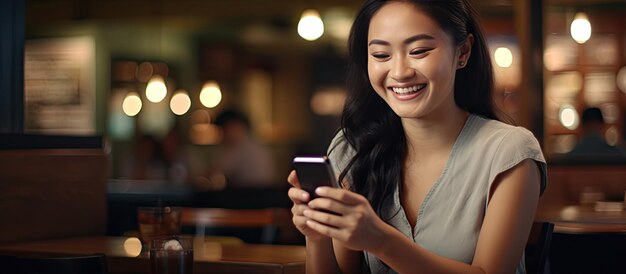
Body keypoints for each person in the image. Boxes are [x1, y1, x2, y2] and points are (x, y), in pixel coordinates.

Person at [287, 1, 547, 273]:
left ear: (463, 52)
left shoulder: (510, 152)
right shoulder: (352, 148)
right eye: (380, 55)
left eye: (419, 51)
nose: (399, 72)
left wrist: (381, 239)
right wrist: (316, 234)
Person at [210, 109, 276, 187]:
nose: (223, 136)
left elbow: (219, 171)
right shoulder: (256, 144)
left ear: (235, 126)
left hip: (250, 195)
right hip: (262, 194)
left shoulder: (243, 148)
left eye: (224, 130)